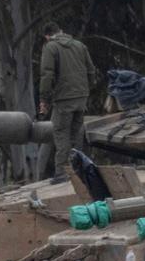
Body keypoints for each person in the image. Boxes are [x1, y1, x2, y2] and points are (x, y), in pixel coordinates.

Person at [37, 23, 100, 177]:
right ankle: (76, 170)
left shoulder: (50, 47)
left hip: (64, 98)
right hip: (81, 97)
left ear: (47, 36)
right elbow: (91, 71)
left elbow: (47, 75)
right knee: (74, 135)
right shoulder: (80, 45)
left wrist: (44, 100)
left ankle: (62, 173)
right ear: (61, 31)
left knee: (61, 133)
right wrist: (85, 90)